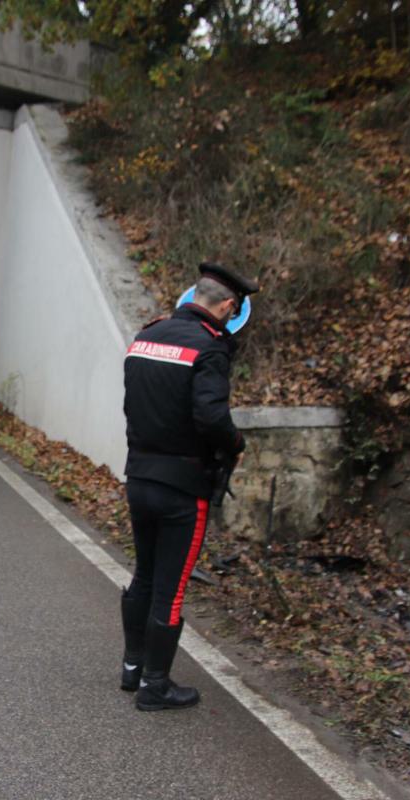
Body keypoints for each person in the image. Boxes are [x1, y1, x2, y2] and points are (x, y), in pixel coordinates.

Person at [120, 262, 259, 711]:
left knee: (143, 573)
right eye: (233, 310)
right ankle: (155, 687)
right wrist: (236, 443)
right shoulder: (210, 348)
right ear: (227, 306)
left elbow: (133, 402)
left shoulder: (147, 336)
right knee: (171, 587)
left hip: (139, 476)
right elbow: (212, 419)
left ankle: (132, 668)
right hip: (182, 488)